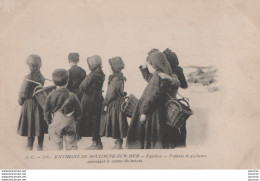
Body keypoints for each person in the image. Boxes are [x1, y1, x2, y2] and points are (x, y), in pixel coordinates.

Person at [126, 51, 180, 149]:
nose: (150, 66)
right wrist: (144, 68)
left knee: (148, 133)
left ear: (155, 65)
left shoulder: (157, 76)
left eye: (151, 64)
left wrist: (144, 112)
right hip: (160, 110)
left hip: (152, 110)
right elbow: (150, 79)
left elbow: (151, 96)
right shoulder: (166, 73)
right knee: (160, 135)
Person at [44, 69, 81, 150]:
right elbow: (79, 111)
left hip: (56, 125)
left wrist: (49, 122)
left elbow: (46, 112)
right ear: (67, 81)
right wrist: (76, 120)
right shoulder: (72, 95)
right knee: (71, 147)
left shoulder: (50, 96)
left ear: (54, 82)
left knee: (56, 148)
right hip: (70, 124)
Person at [18, 54, 47, 151]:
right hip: (39, 105)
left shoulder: (28, 77)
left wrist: (21, 102)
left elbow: (22, 94)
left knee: (30, 126)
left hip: (29, 105)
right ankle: (40, 146)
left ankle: (29, 147)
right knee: (40, 126)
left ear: (30, 65)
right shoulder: (41, 77)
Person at [100, 57, 128, 149]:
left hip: (115, 104)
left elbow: (110, 93)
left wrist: (106, 104)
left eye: (110, 66)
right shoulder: (119, 77)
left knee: (116, 122)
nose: (108, 68)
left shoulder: (115, 79)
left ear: (114, 67)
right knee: (118, 123)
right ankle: (118, 143)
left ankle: (118, 145)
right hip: (119, 103)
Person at [79, 55, 105, 150]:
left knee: (91, 121)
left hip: (90, 100)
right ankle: (97, 142)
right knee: (96, 121)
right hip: (98, 98)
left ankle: (95, 144)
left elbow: (82, 87)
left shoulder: (92, 75)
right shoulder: (101, 74)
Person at [163, 48, 188, 147]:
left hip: (168, 102)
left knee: (170, 125)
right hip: (175, 100)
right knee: (180, 124)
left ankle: (174, 145)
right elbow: (184, 85)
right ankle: (181, 145)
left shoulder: (168, 72)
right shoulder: (178, 70)